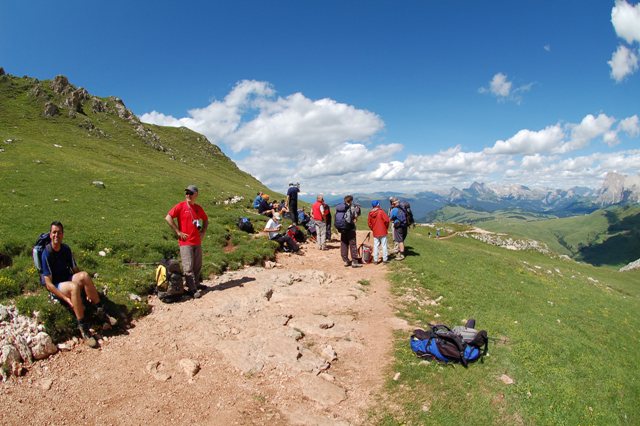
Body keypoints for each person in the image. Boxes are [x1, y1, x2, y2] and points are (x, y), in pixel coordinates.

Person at [41, 221, 105, 348]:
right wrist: (65, 298)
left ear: (63, 235)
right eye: (54, 232)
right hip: (57, 284)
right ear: (50, 235)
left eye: (59, 232)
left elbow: (76, 270)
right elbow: (48, 284)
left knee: (84, 275)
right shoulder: (46, 254)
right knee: (73, 287)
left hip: (68, 278)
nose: (56, 235)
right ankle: (83, 328)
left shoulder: (66, 249)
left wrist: (85, 288)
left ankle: (101, 311)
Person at [165, 184, 208, 299]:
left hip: (197, 241)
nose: (187, 195)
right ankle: (192, 289)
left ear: (196, 195)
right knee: (188, 267)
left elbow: (205, 219)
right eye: (186, 193)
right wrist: (178, 232)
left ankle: (196, 284)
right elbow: (168, 217)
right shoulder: (180, 206)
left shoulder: (198, 208)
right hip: (185, 242)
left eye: (190, 193)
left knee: (197, 266)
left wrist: (203, 231)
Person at [335, 195, 362, 268]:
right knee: (352, 244)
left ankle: (346, 261)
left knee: (344, 244)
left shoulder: (339, 208)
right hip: (350, 229)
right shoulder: (352, 207)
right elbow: (356, 216)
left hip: (342, 229)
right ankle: (354, 261)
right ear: (351, 201)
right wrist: (358, 209)